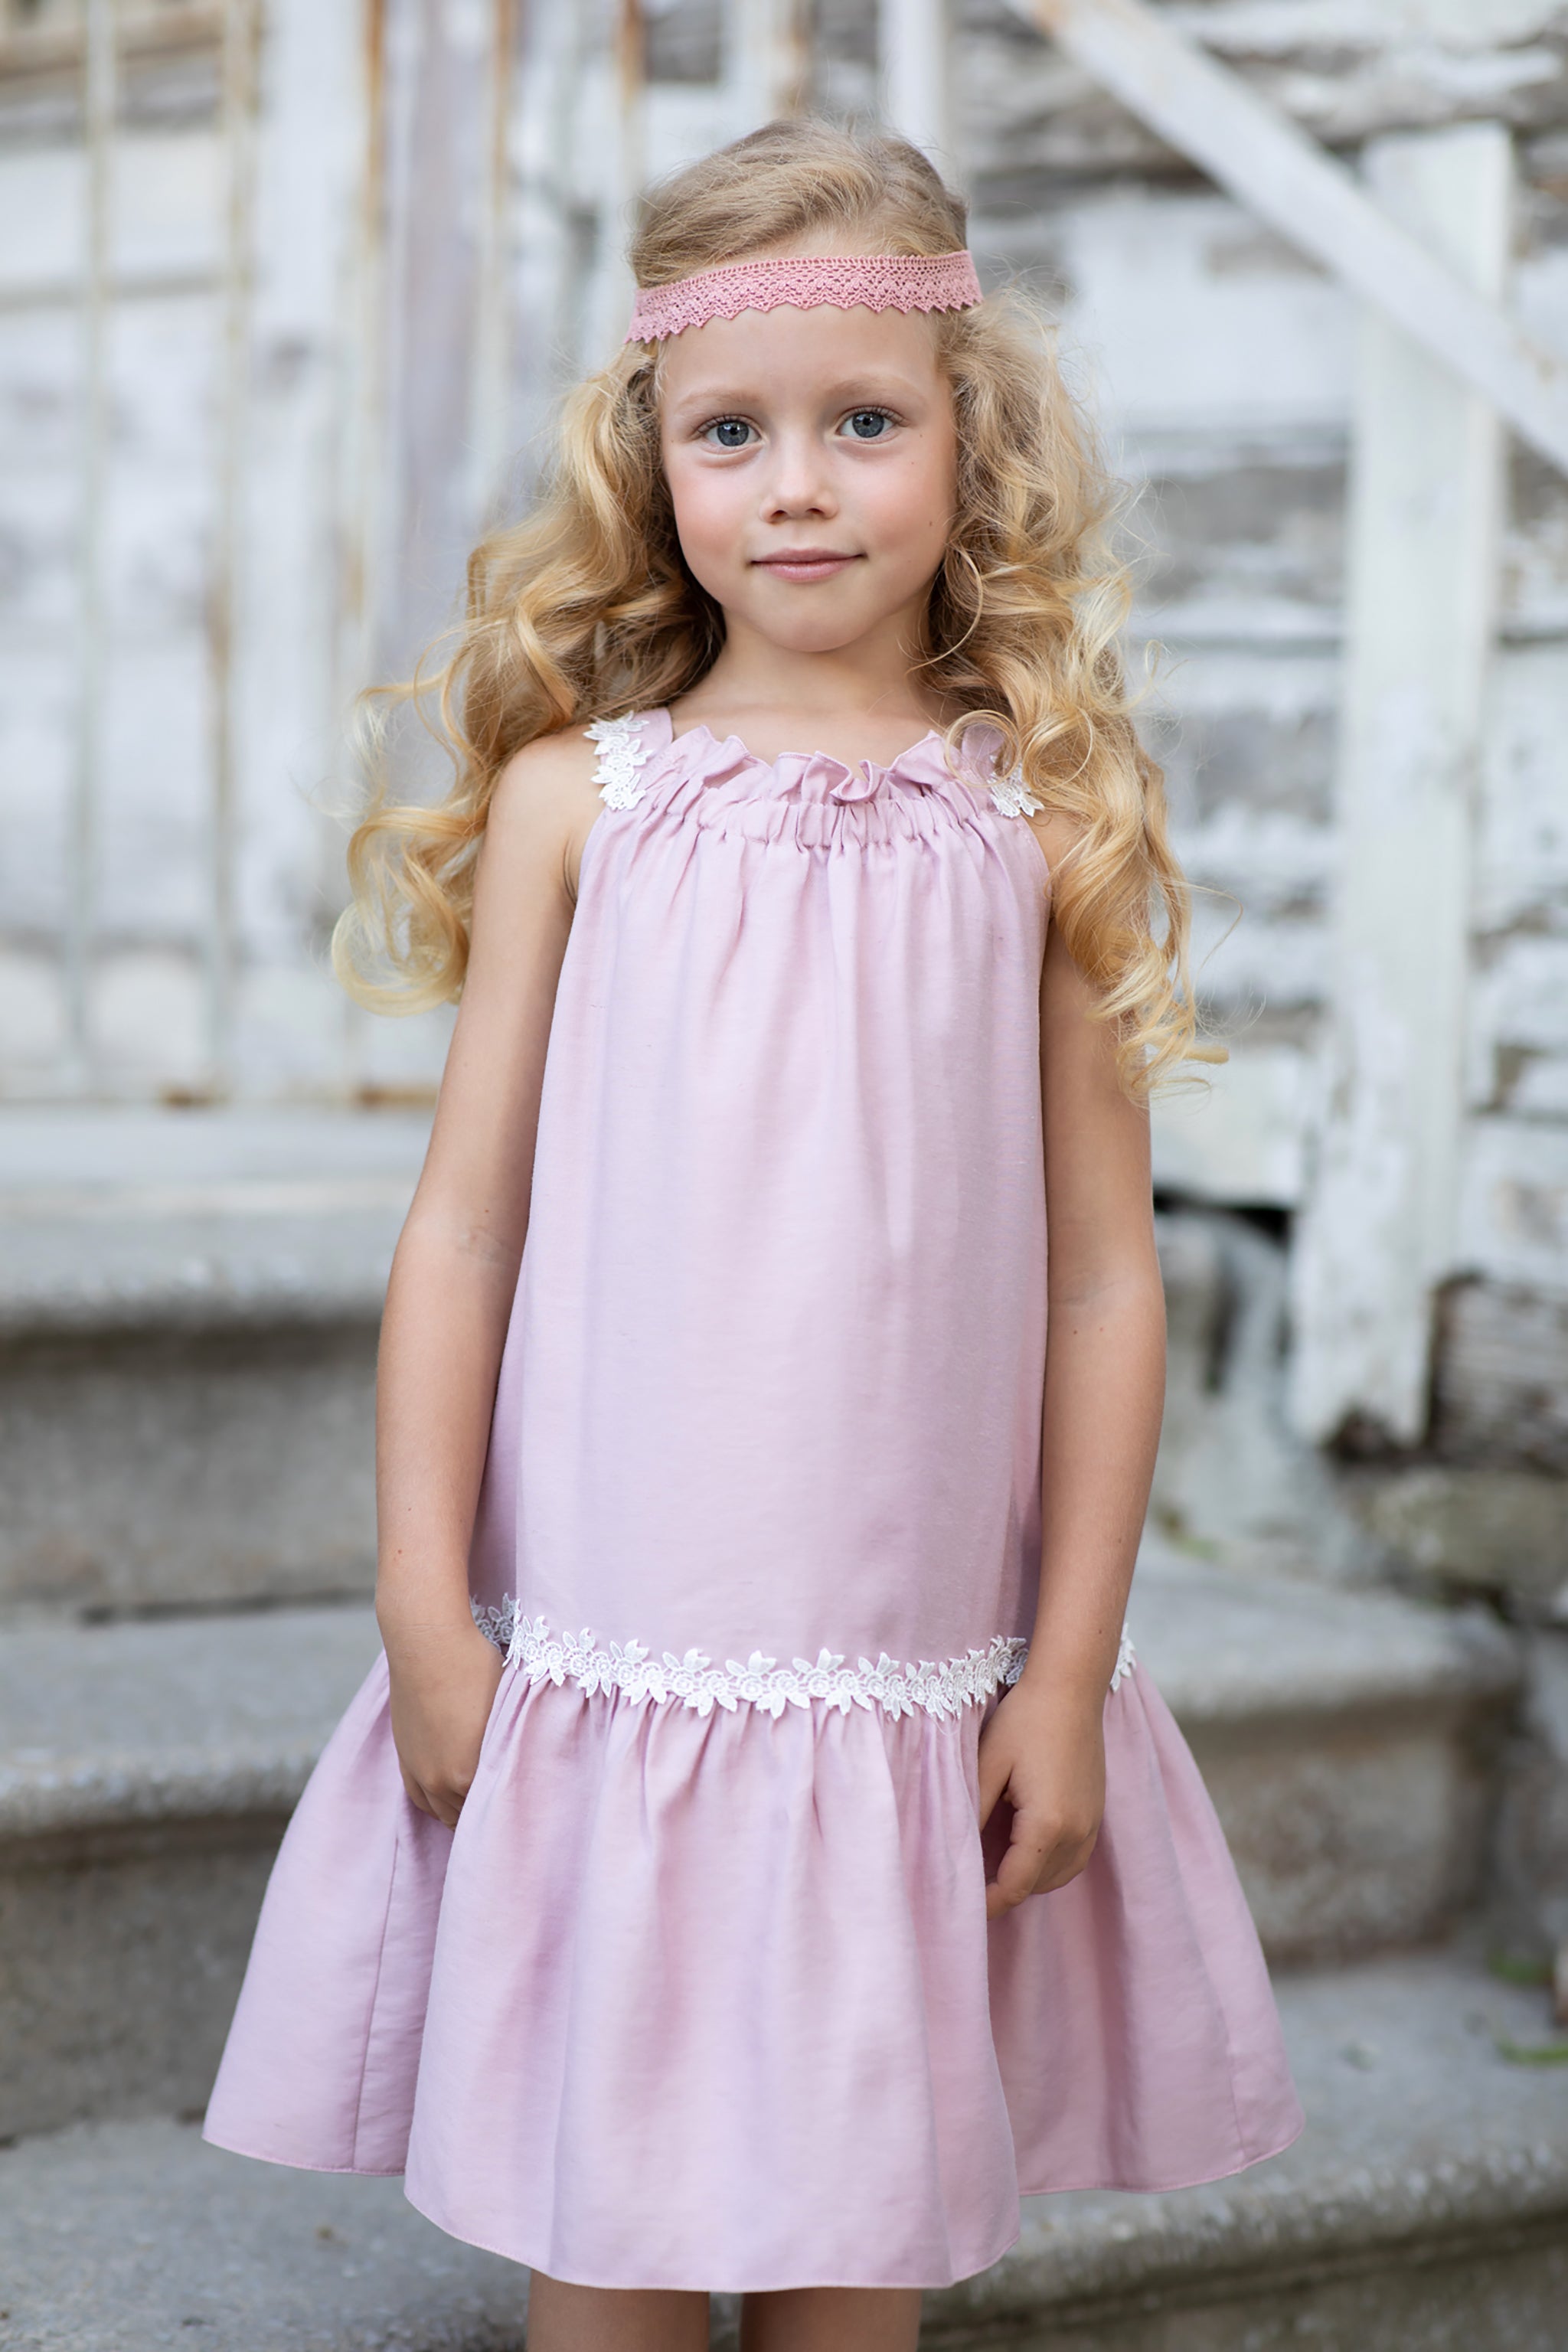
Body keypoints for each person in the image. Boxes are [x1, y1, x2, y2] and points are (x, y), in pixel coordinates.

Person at [204, 118, 1302, 2352]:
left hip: (902, 1635)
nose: (797, 487)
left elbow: (1105, 1279)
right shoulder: (576, 808)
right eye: (733, 432)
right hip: (623, 1623)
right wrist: (422, 1597)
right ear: (655, 460)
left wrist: (1066, 1668)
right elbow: (468, 1235)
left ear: (971, 445)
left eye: (863, 423)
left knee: (851, 2239)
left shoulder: (1036, 824)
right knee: (604, 2238)